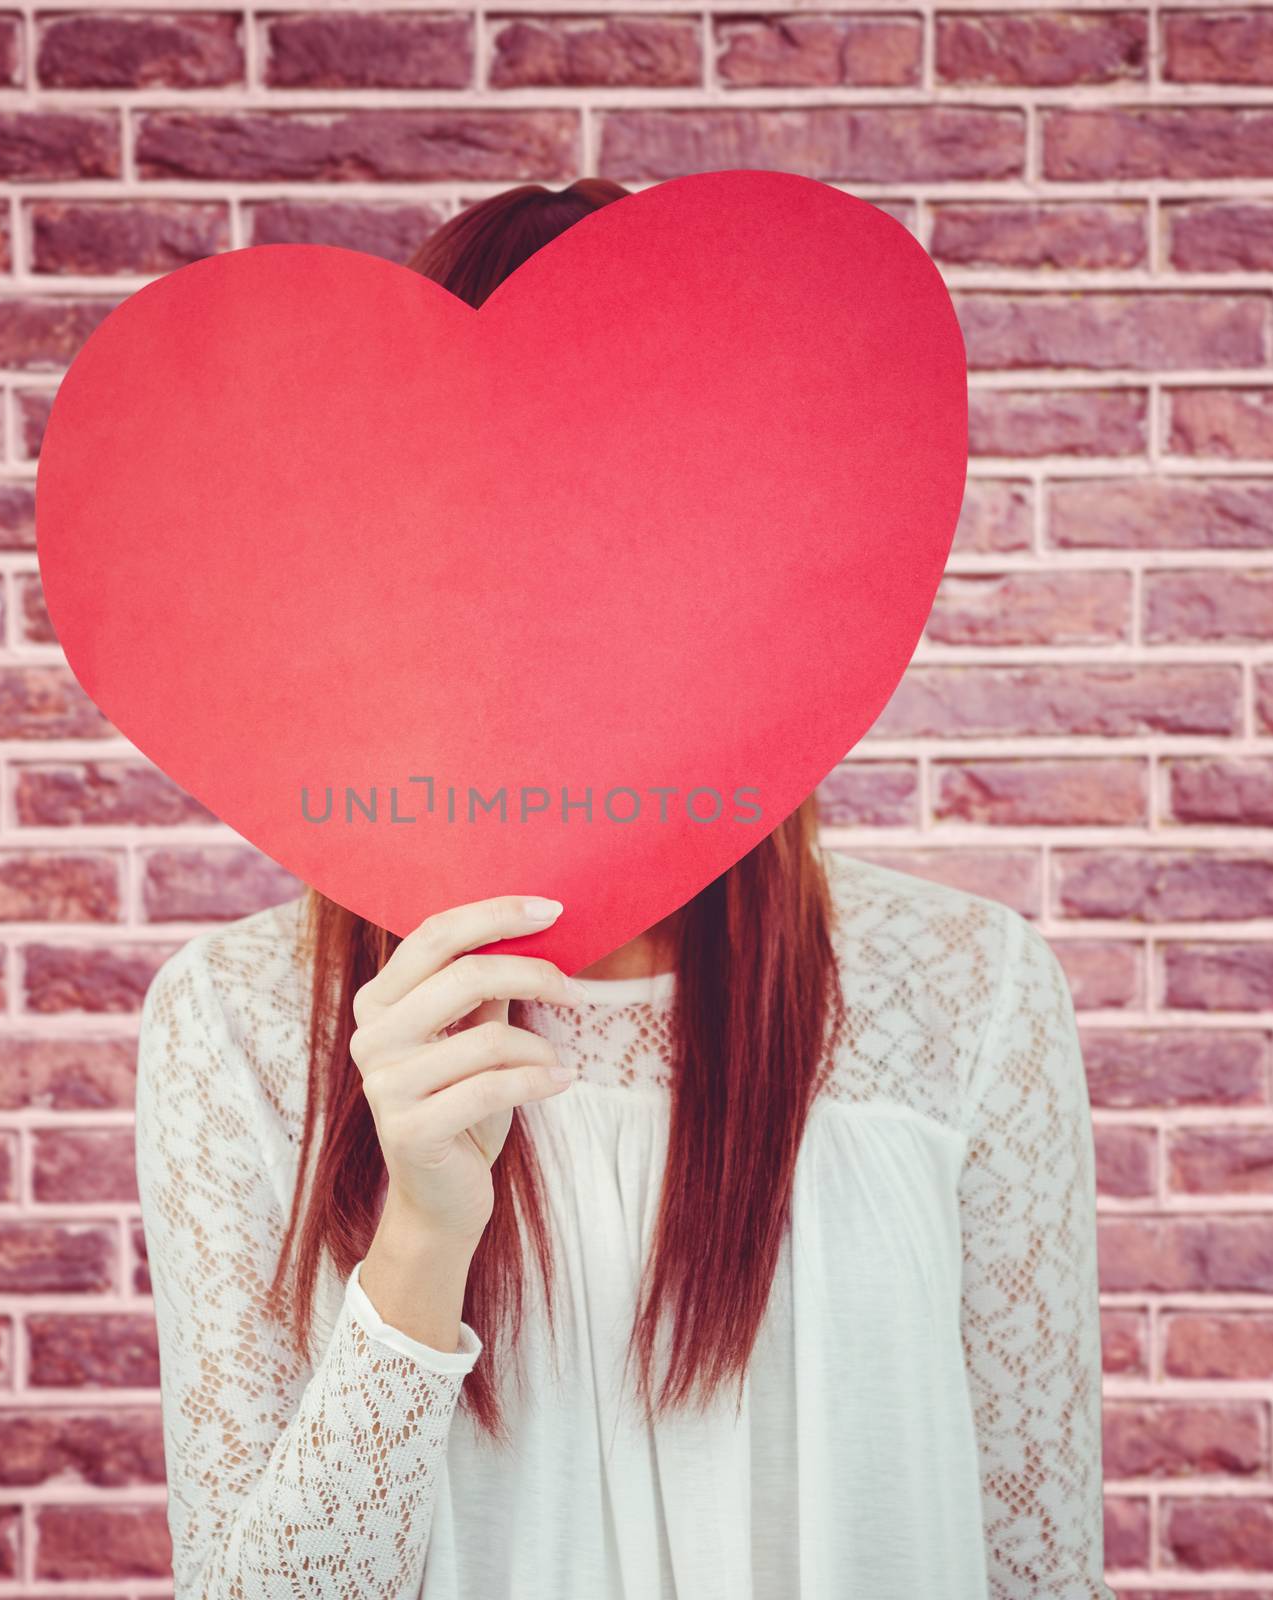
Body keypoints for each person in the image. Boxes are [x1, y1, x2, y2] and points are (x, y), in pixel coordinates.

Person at [134, 180, 1115, 1599]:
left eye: (638, 518)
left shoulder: (969, 996)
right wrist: (418, 1236)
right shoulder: (236, 1025)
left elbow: (1043, 1567)